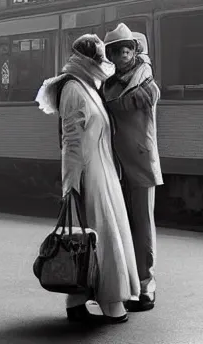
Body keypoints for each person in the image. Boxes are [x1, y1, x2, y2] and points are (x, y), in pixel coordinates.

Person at [36, 34, 140, 324]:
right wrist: (70, 185)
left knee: (93, 238)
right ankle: (109, 301)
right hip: (89, 174)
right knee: (100, 237)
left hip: (101, 171)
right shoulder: (72, 88)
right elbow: (70, 141)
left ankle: (77, 303)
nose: (101, 64)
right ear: (86, 60)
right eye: (97, 59)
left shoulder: (85, 85)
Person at [102, 23, 163, 312]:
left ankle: (147, 285)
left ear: (134, 50)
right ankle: (132, 284)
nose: (123, 52)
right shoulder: (110, 82)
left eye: (128, 47)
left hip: (139, 161)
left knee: (143, 226)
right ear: (110, 55)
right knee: (125, 226)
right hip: (118, 163)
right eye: (117, 49)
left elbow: (124, 104)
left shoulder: (146, 80)